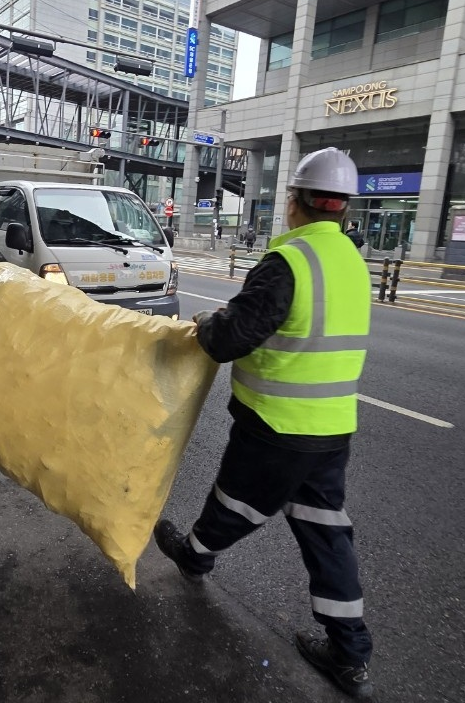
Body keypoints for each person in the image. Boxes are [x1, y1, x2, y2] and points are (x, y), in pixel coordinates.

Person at [153, 147, 374, 699]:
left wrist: (206, 323)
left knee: (237, 501)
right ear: (342, 209)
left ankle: (196, 555)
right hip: (332, 427)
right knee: (326, 533)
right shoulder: (351, 260)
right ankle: (350, 654)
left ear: (294, 203)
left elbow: (230, 338)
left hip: (277, 424)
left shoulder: (289, 262)